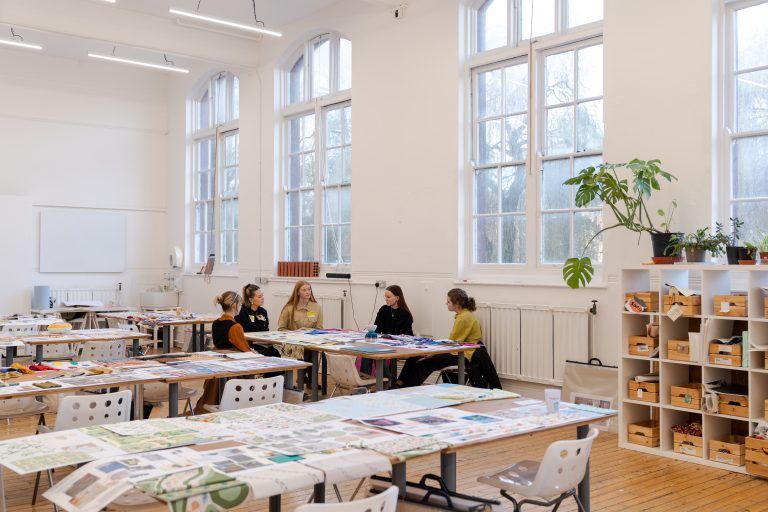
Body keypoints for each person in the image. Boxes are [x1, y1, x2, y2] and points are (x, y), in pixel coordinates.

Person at [395, 288, 480, 388]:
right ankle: (399, 384)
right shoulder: (462, 315)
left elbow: (453, 343)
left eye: (448, 301)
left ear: (457, 304)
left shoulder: (464, 318)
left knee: (424, 364)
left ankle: (406, 389)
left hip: (462, 354)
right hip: (455, 351)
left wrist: (432, 353)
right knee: (413, 359)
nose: (446, 303)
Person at [194, 291, 254, 414]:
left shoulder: (216, 323)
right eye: (239, 304)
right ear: (234, 306)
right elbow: (245, 349)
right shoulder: (235, 326)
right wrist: (254, 352)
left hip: (216, 363)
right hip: (232, 366)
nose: (240, 307)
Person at [360, 285, 413, 377]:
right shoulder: (384, 310)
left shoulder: (405, 314)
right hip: (383, 343)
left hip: (399, 345)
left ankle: (387, 380)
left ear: (397, 298)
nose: (386, 299)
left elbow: (404, 336)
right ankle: (365, 382)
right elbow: (377, 328)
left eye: (388, 297)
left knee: (381, 354)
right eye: (385, 297)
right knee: (366, 354)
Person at [277, 280, 323, 387]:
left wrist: (309, 332)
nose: (308, 292)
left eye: (309, 289)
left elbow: (320, 329)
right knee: (307, 352)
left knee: (312, 351)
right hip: (290, 346)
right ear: (298, 292)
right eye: (304, 290)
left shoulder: (316, 307)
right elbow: (280, 329)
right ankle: (302, 382)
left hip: (310, 344)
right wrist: (295, 333)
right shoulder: (289, 308)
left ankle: (310, 381)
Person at [235, 283, 280, 357]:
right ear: (251, 299)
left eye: (262, 295)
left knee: (275, 352)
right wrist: (261, 322)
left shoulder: (263, 311)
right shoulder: (243, 311)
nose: (263, 298)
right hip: (247, 345)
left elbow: (266, 330)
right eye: (259, 296)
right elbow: (248, 331)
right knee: (269, 353)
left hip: (261, 343)